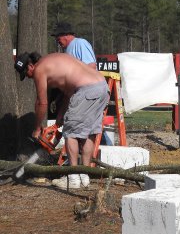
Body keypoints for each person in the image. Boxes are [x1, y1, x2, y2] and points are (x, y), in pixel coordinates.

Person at [14, 52, 109, 189]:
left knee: (70, 134)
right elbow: (68, 93)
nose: (29, 77)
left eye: (26, 73)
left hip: (85, 91)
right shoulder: (53, 61)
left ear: (30, 66)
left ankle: (73, 177)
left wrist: (37, 128)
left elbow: (42, 103)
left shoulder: (39, 69)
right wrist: (60, 118)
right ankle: (85, 175)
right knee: (89, 133)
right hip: (101, 87)